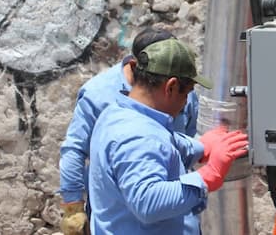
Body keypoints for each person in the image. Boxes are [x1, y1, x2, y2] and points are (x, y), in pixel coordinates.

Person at [87, 37, 248, 234]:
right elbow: (148, 202)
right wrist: (208, 176)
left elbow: (163, 143)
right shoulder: (139, 136)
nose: (185, 103)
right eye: (186, 94)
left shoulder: (118, 113)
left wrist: (200, 147)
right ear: (170, 87)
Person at [59, 27, 200, 235]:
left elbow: (178, 139)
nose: (185, 100)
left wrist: (203, 148)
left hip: (172, 208)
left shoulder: (181, 91)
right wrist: (73, 208)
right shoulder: (98, 95)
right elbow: (75, 149)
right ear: (136, 65)